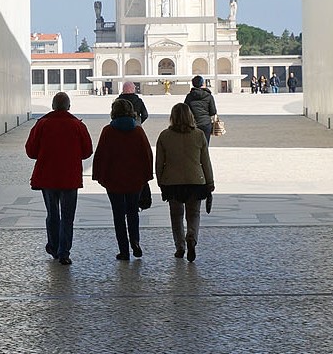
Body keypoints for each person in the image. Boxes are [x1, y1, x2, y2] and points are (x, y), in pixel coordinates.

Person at [25, 90, 92, 265]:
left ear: (53, 106)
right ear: (68, 107)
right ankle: (64, 252)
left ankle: (53, 246)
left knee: (52, 214)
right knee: (68, 216)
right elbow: (87, 151)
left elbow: (31, 151)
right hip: (69, 178)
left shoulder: (42, 124)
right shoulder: (77, 125)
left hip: (47, 177)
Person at [91, 96, 154, 261]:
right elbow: (147, 154)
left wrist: (99, 177)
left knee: (118, 215)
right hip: (135, 180)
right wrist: (146, 176)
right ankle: (136, 242)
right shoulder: (138, 130)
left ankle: (124, 250)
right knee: (133, 212)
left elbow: (101, 156)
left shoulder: (108, 131)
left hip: (114, 181)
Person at [155, 100, 214, 261]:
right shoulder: (199, 135)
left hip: (172, 182)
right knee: (194, 214)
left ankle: (179, 246)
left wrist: (160, 181)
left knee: (176, 215)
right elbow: (205, 162)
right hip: (196, 180)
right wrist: (210, 181)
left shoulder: (165, 136)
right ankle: (192, 237)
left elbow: (159, 162)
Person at [185, 73, 217, 142]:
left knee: (193, 146)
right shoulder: (209, 96)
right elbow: (213, 112)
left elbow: (185, 110)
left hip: (192, 124)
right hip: (205, 124)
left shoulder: (189, 96)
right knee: (205, 146)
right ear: (202, 84)